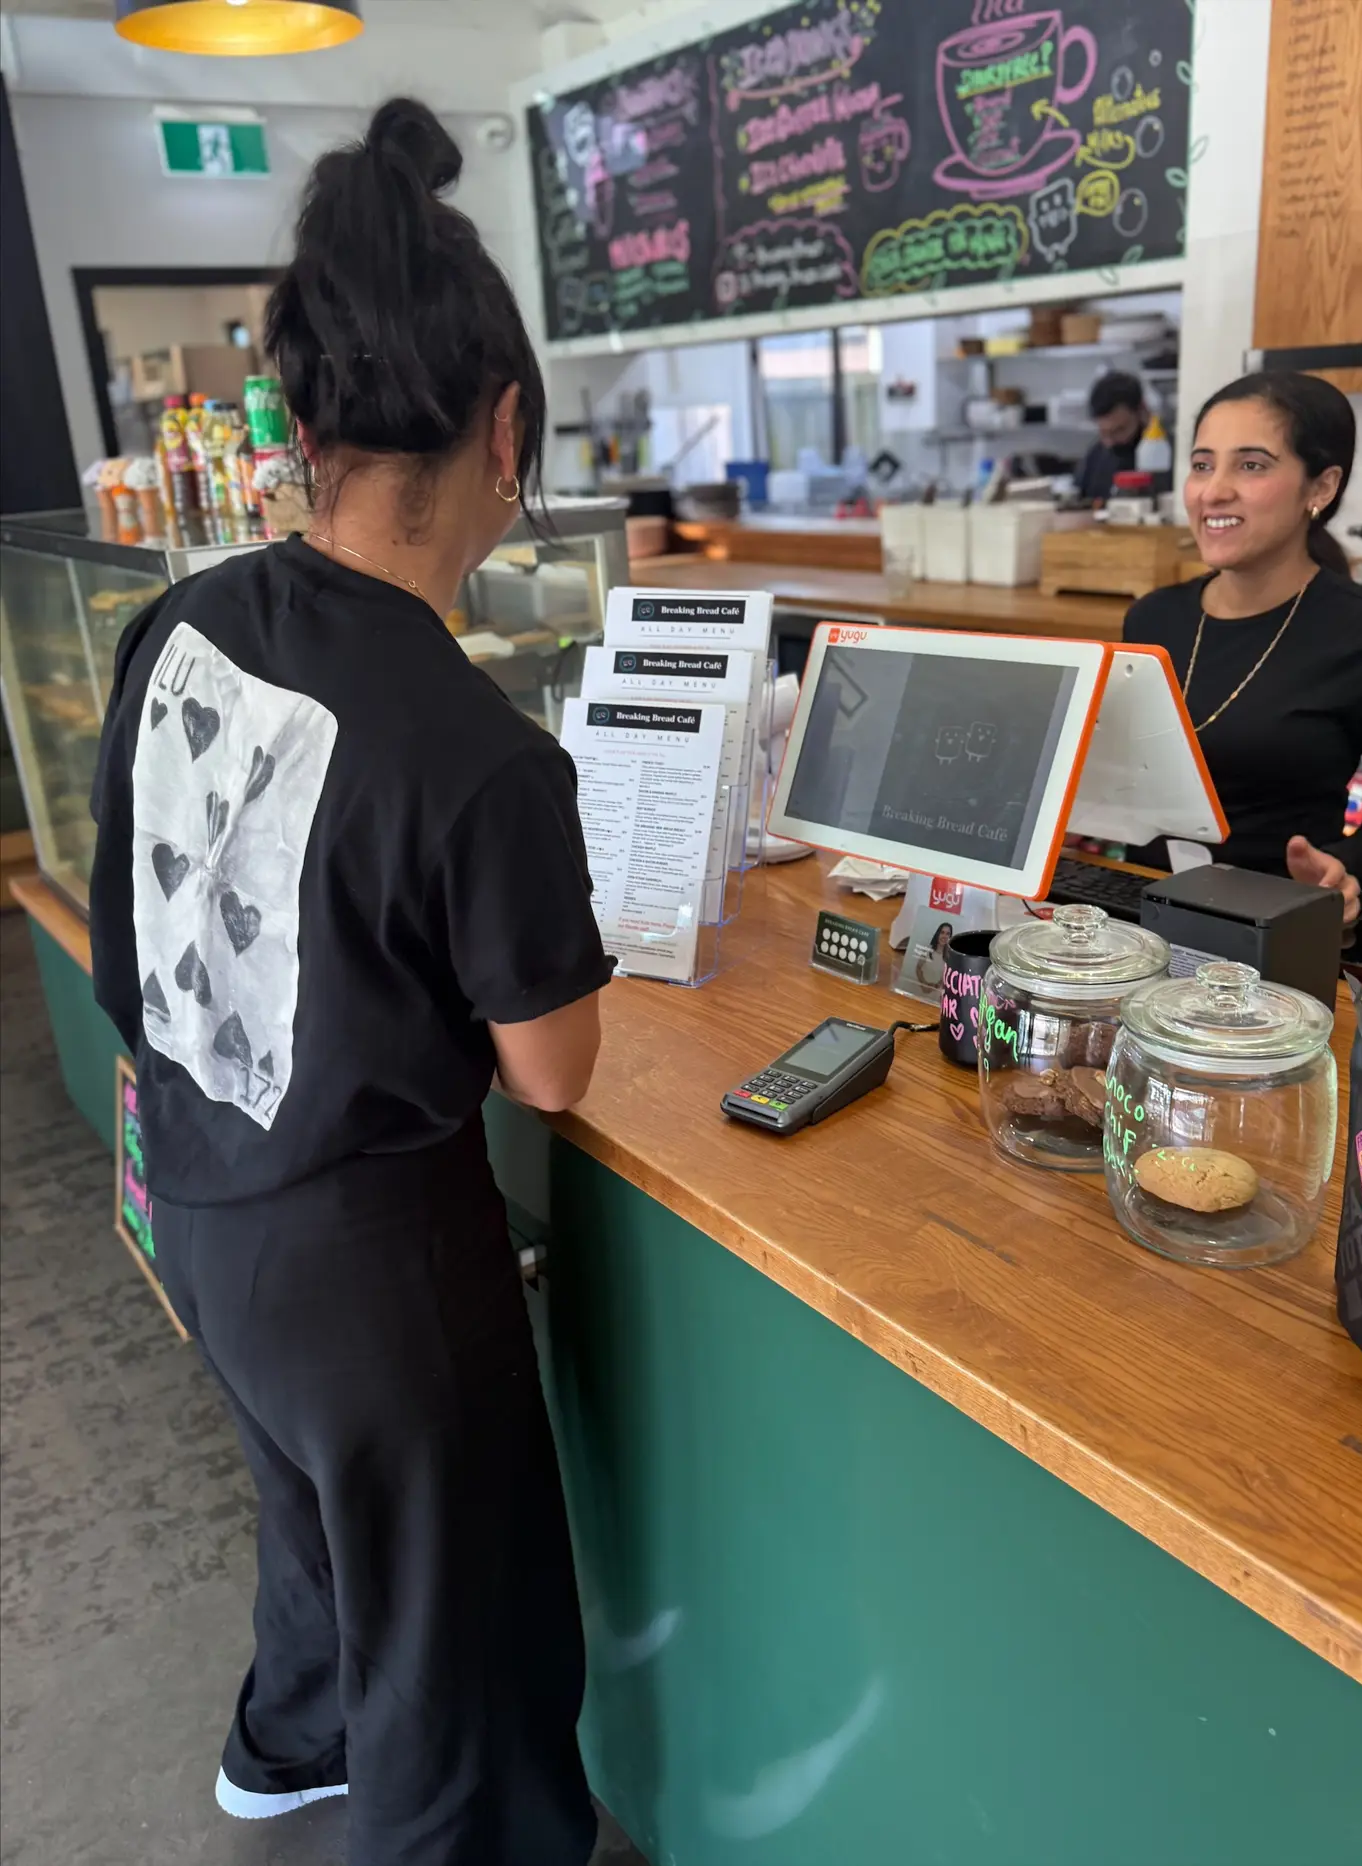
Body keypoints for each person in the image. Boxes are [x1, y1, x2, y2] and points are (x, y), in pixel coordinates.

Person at [88, 100, 612, 1866]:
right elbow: (553, 1072)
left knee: (317, 1536)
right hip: (377, 1275)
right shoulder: (480, 752)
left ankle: (281, 1751)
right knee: (458, 1654)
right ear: (506, 426)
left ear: (298, 421)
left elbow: (139, 931)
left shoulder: (180, 621)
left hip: (200, 1193)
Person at [1124, 370, 1362, 922]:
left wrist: (1344, 868)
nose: (1213, 490)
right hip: (1132, 923)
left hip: (1274, 932)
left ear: (1321, 487)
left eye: (1251, 465)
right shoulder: (1152, 617)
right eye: (1202, 464)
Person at [1073, 370, 1168, 503]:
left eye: (1119, 430)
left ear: (1142, 411)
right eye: (1104, 432)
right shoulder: (1095, 456)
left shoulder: (1166, 454)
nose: (1109, 442)